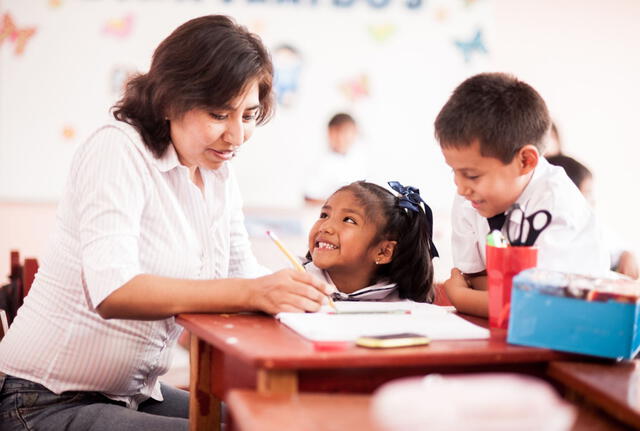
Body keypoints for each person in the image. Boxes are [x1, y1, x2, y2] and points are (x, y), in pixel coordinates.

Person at [0, 15, 331, 430]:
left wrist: (301, 292)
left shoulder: (216, 172)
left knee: (267, 422)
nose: (237, 136)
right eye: (218, 114)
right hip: (42, 402)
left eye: (247, 116)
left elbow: (241, 272)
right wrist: (254, 290)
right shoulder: (118, 150)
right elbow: (114, 290)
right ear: (170, 100)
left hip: (134, 395)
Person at [434, 72, 610, 317]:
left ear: (526, 161)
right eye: (454, 171)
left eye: (472, 175)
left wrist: (461, 298)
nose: (461, 187)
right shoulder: (470, 199)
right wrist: (498, 299)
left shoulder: (556, 202)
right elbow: (477, 279)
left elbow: (537, 307)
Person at [304, 180, 439, 302]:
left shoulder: (400, 306)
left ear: (383, 252)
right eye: (324, 215)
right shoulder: (291, 280)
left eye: (348, 220)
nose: (325, 227)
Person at [547, 154, 639, 279]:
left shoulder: (590, 225)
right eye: (588, 193)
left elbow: (615, 245)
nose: (593, 200)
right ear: (569, 193)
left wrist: (626, 254)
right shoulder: (552, 229)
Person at [303, 113, 367, 205]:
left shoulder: (359, 161)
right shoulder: (322, 163)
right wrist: (339, 206)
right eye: (337, 133)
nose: (342, 139)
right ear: (329, 134)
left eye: (347, 133)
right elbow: (309, 197)